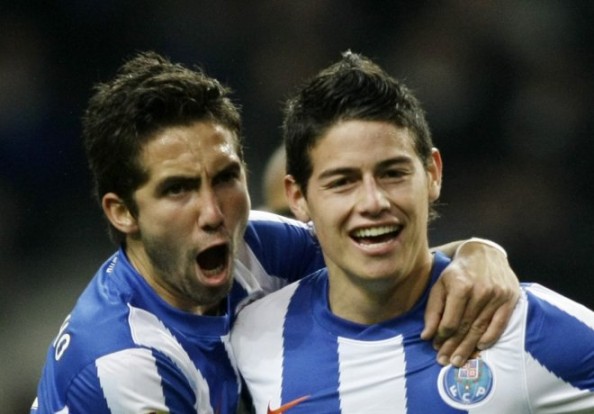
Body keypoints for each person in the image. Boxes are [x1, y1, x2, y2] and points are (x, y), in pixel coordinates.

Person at [31, 51, 519, 414]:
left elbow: (382, 259)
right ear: (122, 212)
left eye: (225, 178)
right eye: (178, 189)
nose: (213, 212)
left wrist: (476, 253)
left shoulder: (257, 247)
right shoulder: (124, 365)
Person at [231, 52, 594, 413]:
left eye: (393, 173)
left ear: (433, 174)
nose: (373, 201)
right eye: (342, 182)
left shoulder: (519, 325)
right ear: (297, 198)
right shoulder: (252, 337)